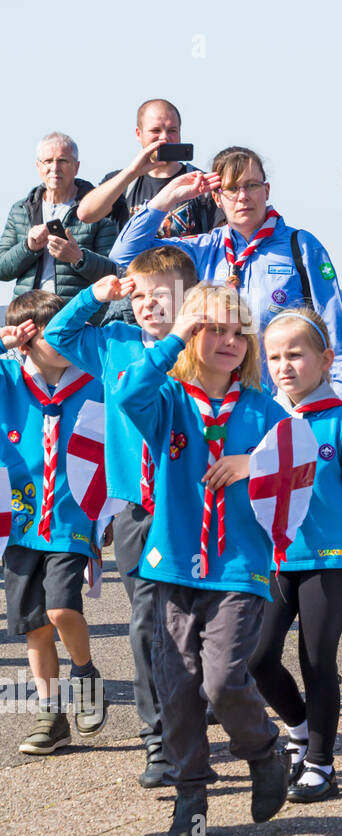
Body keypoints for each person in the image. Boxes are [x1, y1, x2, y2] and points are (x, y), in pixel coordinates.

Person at [116, 283, 292, 836]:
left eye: (240, 332)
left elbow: (298, 471)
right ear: (191, 334)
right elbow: (127, 395)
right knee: (177, 686)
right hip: (172, 568)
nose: (230, 341)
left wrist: (254, 462)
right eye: (214, 328)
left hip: (240, 566)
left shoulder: (264, 409)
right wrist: (173, 337)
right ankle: (190, 793)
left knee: (220, 679)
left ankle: (264, 750)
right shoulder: (168, 399)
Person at [42, 247, 198, 785]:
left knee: (200, 620)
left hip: (195, 504)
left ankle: (204, 712)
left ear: (188, 296)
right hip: (135, 507)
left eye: (163, 293)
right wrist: (96, 294)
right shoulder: (114, 344)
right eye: (140, 293)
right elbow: (58, 338)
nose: (150, 303)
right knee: (146, 621)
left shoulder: (203, 349)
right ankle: (157, 738)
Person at [250, 307, 342, 804]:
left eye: (296, 355)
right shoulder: (266, 420)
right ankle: (300, 729)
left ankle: (322, 764)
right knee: (256, 657)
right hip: (275, 561)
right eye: (274, 357)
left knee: (316, 660)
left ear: (326, 359)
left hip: (330, 562)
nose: (284, 366)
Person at [109, 146, 342, 405]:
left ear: (267, 191)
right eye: (231, 188)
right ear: (217, 199)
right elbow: (124, 255)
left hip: (283, 403)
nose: (243, 197)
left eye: (252, 185)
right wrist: (167, 198)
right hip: (214, 402)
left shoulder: (302, 246)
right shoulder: (203, 249)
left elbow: (335, 328)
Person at [1, 291, 107, 755]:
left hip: (72, 514)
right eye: (50, 333)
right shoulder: (8, 377)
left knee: (61, 608)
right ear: (25, 341)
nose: (65, 340)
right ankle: (50, 713)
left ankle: (85, 674)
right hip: (19, 519)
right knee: (33, 625)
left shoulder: (94, 378)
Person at [75, 99, 218, 240]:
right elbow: (86, 215)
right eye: (156, 130)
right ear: (139, 134)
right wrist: (131, 173)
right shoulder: (123, 182)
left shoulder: (202, 182)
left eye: (172, 130)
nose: (164, 138)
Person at [1, 133, 119, 301]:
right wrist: (28, 247)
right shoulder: (20, 209)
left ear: (76, 167)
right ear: (38, 166)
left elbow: (114, 272)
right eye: (48, 161)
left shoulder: (99, 209)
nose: (55, 168)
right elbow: (2, 269)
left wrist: (78, 257)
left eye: (63, 161)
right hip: (28, 316)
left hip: (78, 316)